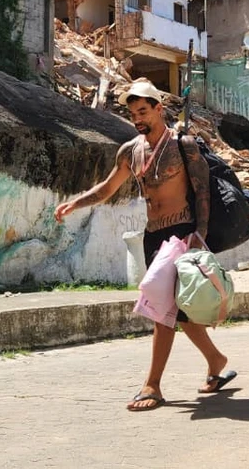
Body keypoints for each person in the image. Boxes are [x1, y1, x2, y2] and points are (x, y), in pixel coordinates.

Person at [54, 79, 236, 411]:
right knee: (180, 310)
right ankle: (216, 360)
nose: (137, 119)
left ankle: (153, 385)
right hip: (154, 236)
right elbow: (107, 188)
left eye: (143, 111)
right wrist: (75, 203)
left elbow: (203, 193)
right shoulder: (130, 151)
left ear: (158, 109)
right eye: (133, 113)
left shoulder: (184, 146)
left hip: (183, 234)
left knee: (162, 310)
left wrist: (200, 236)